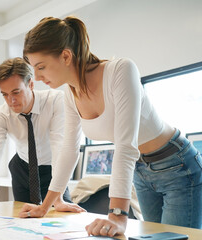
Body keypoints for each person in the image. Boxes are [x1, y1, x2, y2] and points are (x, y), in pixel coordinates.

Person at [19, 16, 202, 237]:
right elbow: (69, 151)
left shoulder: (120, 70)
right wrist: (45, 206)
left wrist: (116, 216)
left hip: (177, 166)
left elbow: (126, 145)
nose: (37, 77)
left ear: (66, 56)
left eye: (41, 67)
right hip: (141, 171)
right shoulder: (70, 94)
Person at [0, 57, 80, 218]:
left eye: (16, 92)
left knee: (59, 215)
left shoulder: (55, 101)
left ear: (31, 84)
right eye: (5, 94)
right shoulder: (1, 114)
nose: (11, 101)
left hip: (52, 168)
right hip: (22, 168)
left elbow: (59, 146)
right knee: (24, 218)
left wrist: (58, 198)